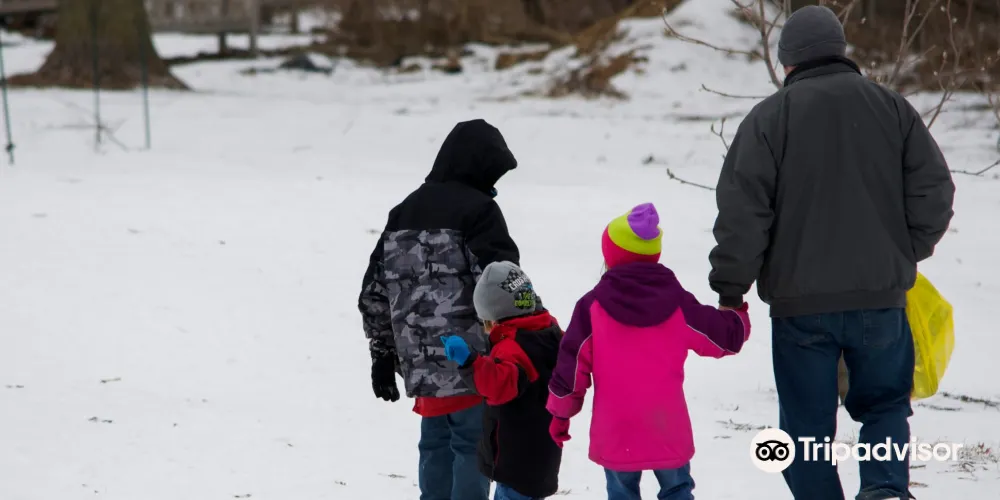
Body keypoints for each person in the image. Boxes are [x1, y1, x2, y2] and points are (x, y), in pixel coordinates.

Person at [707, 6, 955, 500]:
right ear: (840, 50)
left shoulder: (770, 118)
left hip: (801, 308)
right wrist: (901, 253)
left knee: (805, 424)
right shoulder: (892, 108)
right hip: (880, 299)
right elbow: (935, 192)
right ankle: (885, 489)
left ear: (787, 61)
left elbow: (743, 212)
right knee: (885, 406)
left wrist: (731, 288)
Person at [358, 119, 523, 500]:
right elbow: (502, 282)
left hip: (420, 362)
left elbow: (374, 292)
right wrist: (525, 338)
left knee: (435, 445)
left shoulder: (403, 212)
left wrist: (382, 352)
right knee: (470, 444)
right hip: (472, 359)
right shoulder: (480, 212)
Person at [546, 203, 751, 500]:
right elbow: (723, 338)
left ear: (612, 256)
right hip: (665, 427)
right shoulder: (677, 303)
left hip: (617, 431)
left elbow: (572, 364)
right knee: (677, 491)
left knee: (622, 494)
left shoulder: (592, 307)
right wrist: (736, 313)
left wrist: (560, 413)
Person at [441, 261, 564, 500]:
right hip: (544, 449)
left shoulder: (512, 347)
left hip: (516, 457)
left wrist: (468, 361)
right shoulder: (551, 332)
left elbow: (499, 385)